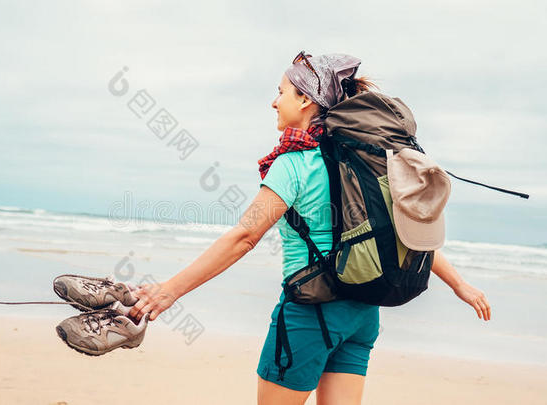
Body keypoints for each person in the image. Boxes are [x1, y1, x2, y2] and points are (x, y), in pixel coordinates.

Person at [128, 52, 491, 405]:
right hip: (362, 314)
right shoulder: (365, 164)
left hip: (310, 310)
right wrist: (460, 284)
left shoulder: (293, 164)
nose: (274, 102)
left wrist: (169, 291)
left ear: (305, 100)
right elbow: (399, 231)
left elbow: (245, 236)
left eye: (282, 91)